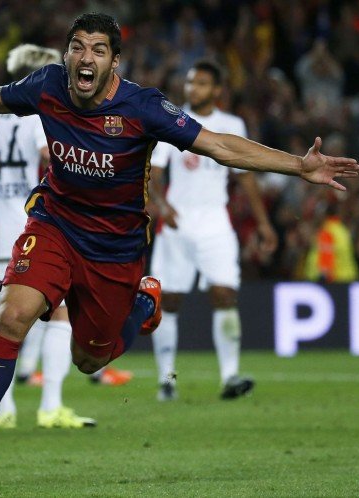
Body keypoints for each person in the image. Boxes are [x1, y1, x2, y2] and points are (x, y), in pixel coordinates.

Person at [0, 13, 359, 486]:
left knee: (89, 359)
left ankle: (143, 304)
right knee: (11, 316)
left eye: (98, 49)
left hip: (114, 249)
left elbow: (219, 146)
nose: (86, 57)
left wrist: (298, 166)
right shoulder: (47, 85)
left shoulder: (143, 107)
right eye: (78, 46)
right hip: (54, 225)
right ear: (67, 54)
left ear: (114, 61)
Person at [0, 43, 95, 429]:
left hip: (1, 229)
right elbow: (51, 156)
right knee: (60, 312)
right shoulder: (36, 116)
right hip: (35, 229)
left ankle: (4, 410)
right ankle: (51, 406)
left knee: (6, 320)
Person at [148, 60, 278, 402]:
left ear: (217, 90)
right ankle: (166, 379)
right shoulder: (172, 119)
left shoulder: (232, 124)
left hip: (215, 223)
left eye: (202, 83)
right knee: (169, 301)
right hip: (177, 222)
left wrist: (264, 223)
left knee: (224, 294)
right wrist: (162, 205)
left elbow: (246, 177)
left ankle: (230, 376)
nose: (193, 89)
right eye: (191, 82)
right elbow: (154, 174)